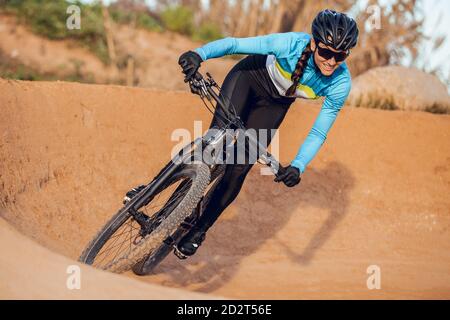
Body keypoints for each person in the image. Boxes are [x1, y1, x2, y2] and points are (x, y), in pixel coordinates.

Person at [127, 9, 359, 258]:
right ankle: (149, 190)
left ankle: (199, 230)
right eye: (326, 52)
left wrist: (298, 165)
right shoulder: (290, 44)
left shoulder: (340, 83)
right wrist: (198, 54)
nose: (332, 61)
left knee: (238, 167)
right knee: (211, 143)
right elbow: (235, 44)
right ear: (313, 43)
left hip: (274, 105)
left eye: (340, 55)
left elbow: (318, 132)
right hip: (248, 79)